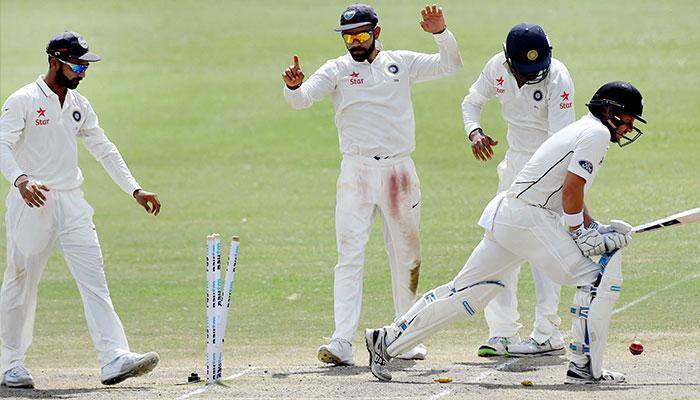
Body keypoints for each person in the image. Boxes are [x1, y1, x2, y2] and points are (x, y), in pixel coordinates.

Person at [366, 81, 645, 384]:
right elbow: (571, 188)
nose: (629, 128)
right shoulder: (597, 133)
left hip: (512, 214)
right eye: (627, 119)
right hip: (529, 218)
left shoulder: (584, 128)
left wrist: (592, 227)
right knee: (595, 280)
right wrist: (581, 233)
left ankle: (387, 339)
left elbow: (567, 188)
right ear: (610, 111)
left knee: (465, 292)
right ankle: (583, 367)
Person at [282, 4, 462, 365]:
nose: (355, 42)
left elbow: (450, 65)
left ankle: (404, 338)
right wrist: (293, 86)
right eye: (349, 36)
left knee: (407, 257)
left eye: (362, 35)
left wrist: (441, 34)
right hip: (357, 172)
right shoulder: (337, 69)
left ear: (377, 33)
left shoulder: (400, 62)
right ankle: (341, 342)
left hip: (399, 172)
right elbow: (301, 101)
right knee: (349, 255)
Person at [0, 31, 161, 389]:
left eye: (85, 65)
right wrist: (21, 180)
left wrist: (134, 188)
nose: (83, 72)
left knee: (94, 279)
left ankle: (113, 357)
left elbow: (103, 148)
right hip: (33, 201)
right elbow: (2, 144)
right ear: (55, 62)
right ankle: (10, 363)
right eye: (77, 65)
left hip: (72, 203)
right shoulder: (23, 100)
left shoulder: (79, 104)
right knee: (21, 281)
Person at [461, 23, 575, 357]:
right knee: (499, 242)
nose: (528, 78)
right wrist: (475, 132)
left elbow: (560, 142)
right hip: (514, 165)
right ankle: (502, 332)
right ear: (508, 60)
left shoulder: (558, 78)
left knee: (544, 249)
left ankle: (547, 333)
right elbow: (471, 103)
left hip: (550, 169)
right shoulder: (496, 66)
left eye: (535, 71)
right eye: (522, 72)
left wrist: (537, 186)